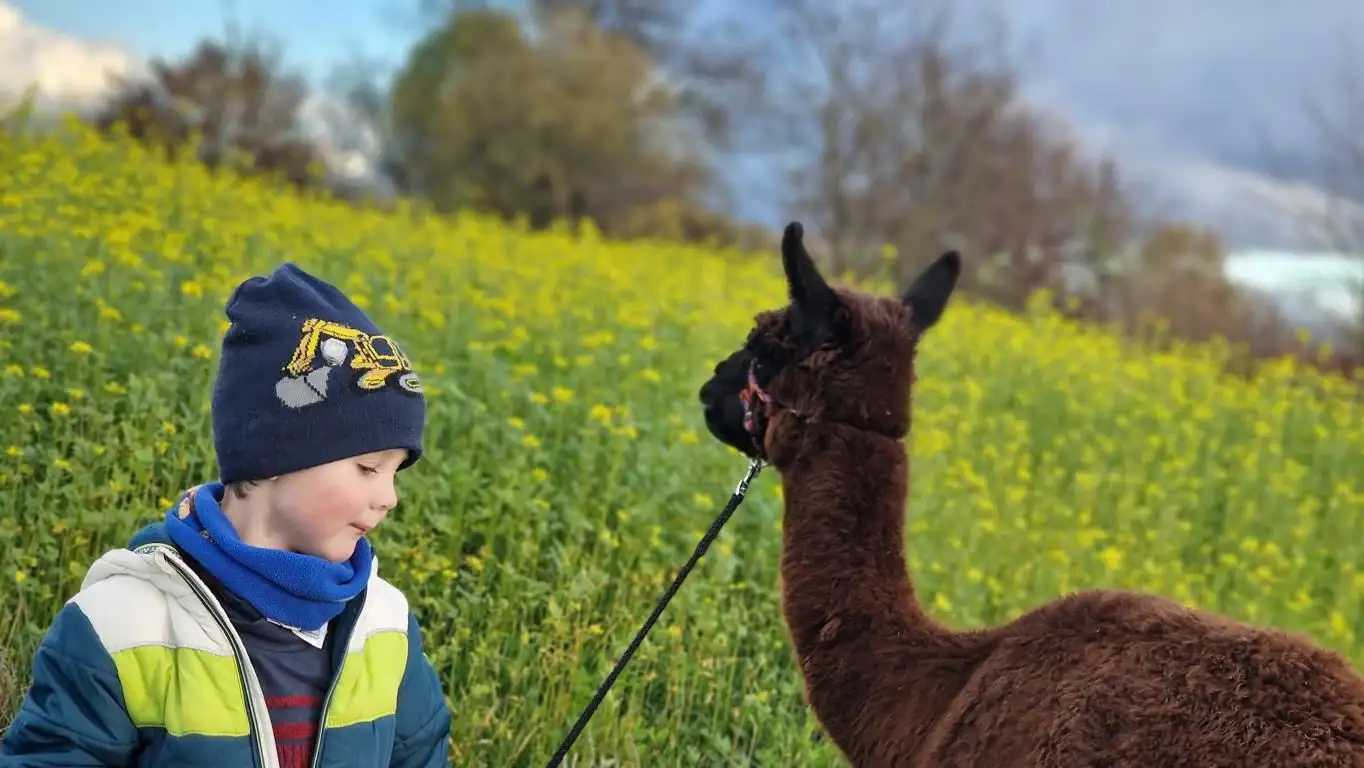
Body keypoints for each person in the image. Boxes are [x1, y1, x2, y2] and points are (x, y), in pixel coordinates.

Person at [0, 263, 452, 767]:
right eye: (368, 467)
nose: (388, 497)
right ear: (277, 456)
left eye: (396, 473)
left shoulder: (383, 624)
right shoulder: (121, 625)